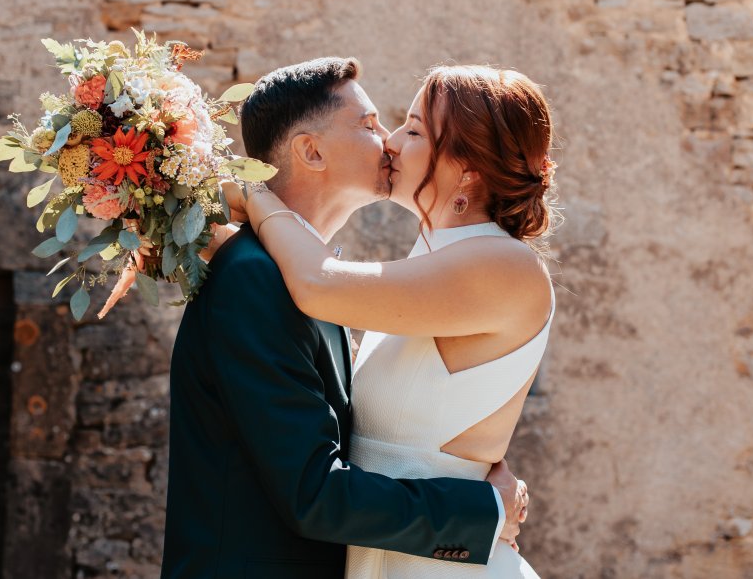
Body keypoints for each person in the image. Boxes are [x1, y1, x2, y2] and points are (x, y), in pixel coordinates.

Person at [160, 58, 528, 579]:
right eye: (369, 124)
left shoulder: (314, 281)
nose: (389, 141)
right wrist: (481, 510)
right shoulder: (256, 279)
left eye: (404, 128)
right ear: (311, 152)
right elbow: (313, 492)